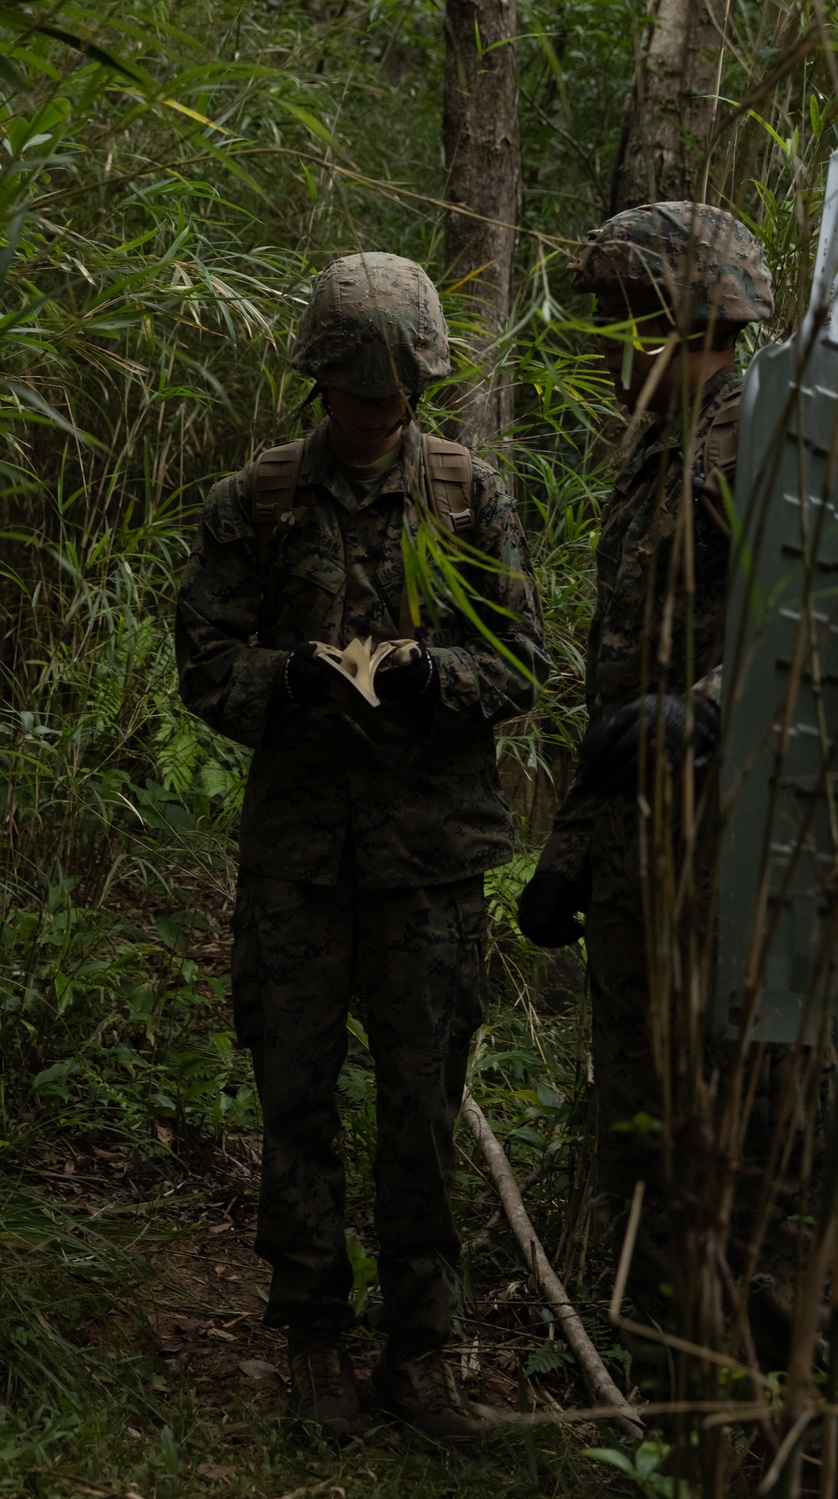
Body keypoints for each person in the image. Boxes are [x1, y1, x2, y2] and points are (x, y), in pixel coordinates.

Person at [176, 251, 547, 1439]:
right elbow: (204, 663)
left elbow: (524, 665)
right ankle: (314, 1341)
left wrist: (436, 675)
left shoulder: (468, 494)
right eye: (356, 396)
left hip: (427, 864)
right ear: (320, 383)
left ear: (423, 389)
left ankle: (421, 1354)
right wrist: (286, 676)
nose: (376, 416)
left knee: (420, 1109)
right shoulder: (259, 499)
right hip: (296, 855)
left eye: (394, 398)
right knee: (295, 1098)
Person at [517, 205, 774, 1349]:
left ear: (668, 323)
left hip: (725, 860)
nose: (603, 353)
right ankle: (648, 1384)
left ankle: (730, 1391)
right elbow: (621, 683)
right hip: (638, 853)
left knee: (723, 1133)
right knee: (638, 1118)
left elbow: (823, 627)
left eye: (617, 324)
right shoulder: (655, 455)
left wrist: (708, 708)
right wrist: (571, 848)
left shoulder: (752, 441)